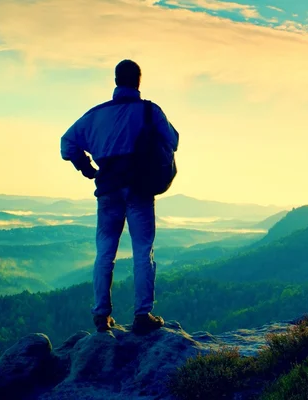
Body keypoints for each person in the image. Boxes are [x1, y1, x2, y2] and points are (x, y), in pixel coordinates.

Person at [61, 60, 179, 333]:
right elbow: (173, 141)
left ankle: (101, 316)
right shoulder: (150, 111)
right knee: (142, 251)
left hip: (108, 190)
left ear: (116, 80)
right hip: (140, 188)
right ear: (139, 81)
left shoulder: (95, 115)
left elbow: (66, 142)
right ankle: (142, 315)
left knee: (105, 252)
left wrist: (85, 165)